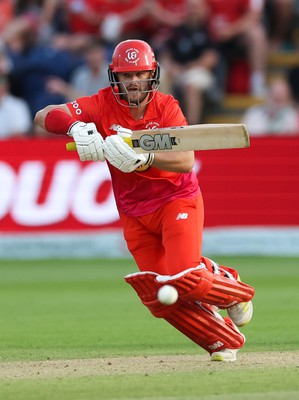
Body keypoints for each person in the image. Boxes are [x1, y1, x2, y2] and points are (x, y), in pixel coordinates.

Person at [34, 39, 255, 362]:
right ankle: (221, 339)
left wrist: (145, 159)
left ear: (152, 74)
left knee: (185, 280)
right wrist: (77, 127)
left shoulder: (166, 107)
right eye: (127, 75)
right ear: (115, 78)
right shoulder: (100, 104)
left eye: (140, 73)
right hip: (133, 212)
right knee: (158, 296)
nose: (134, 81)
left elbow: (184, 161)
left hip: (176, 200)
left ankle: (233, 287)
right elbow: (44, 114)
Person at [158, 0, 218, 124]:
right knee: (159, 74)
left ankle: (191, 127)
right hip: (177, 71)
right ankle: (164, 121)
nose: (193, 11)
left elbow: (211, 59)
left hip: (199, 71)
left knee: (192, 84)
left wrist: (187, 68)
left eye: (196, 7)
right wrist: (171, 67)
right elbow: (165, 54)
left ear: (204, 9)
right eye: (190, 8)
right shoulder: (177, 30)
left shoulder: (209, 30)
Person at [205, 0, 268, 97]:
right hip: (210, 34)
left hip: (237, 36)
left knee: (257, 34)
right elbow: (199, 10)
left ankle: (257, 83)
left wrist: (231, 31)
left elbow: (253, 16)